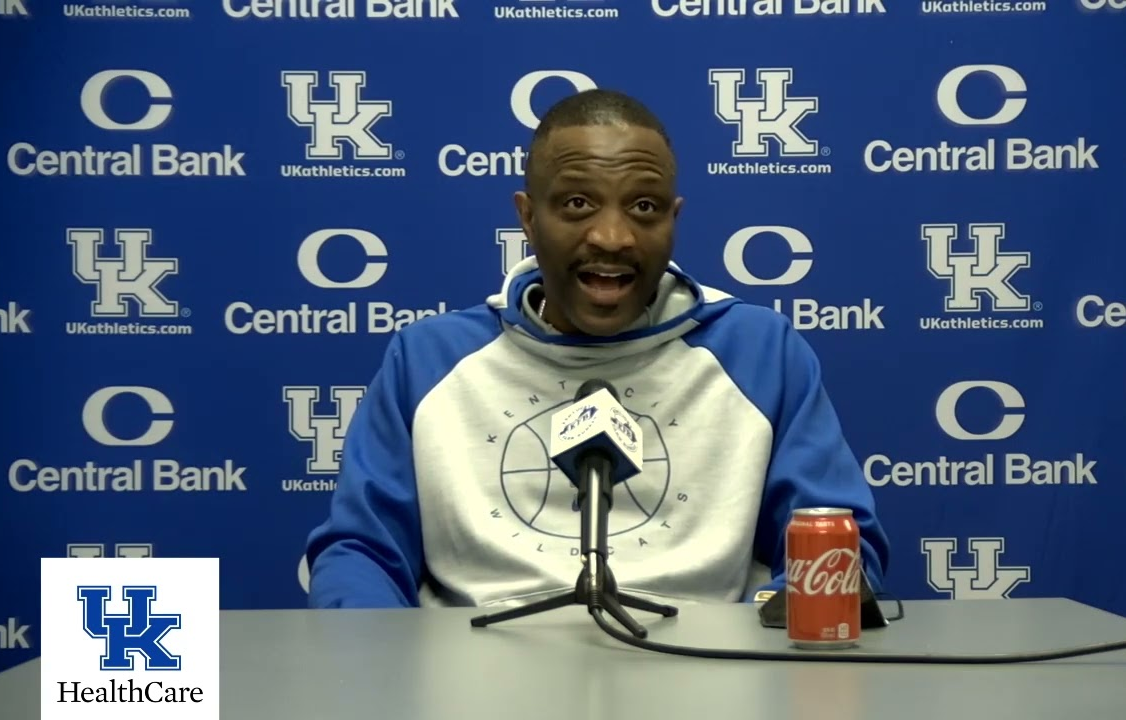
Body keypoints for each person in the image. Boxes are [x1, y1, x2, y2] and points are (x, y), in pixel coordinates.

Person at [304, 88, 891, 610]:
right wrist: (375, 668)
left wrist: (768, 636)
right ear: (528, 218)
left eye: (644, 207)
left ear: (674, 218)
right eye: (577, 205)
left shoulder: (759, 352)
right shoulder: (427, 359)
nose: (612, 237)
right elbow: (362, 551)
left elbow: (840, 542)